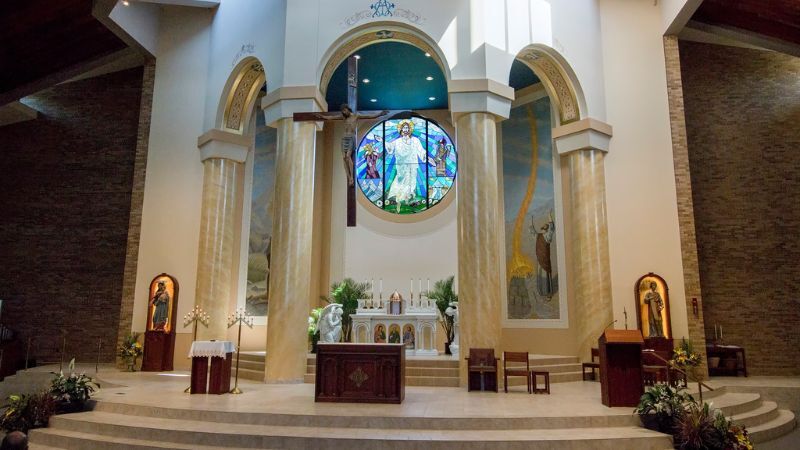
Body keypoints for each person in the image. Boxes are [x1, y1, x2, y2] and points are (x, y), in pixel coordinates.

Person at [375, 120, 426, 212]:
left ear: (410, 129)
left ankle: (408, 198)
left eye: (407, 128)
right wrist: (382, 140)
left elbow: (421, 151)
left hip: (412, 165)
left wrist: (425, 156)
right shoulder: (397, 141)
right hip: (401, 166)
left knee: (411, 181)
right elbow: (390, 147)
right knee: (400, 180)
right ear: (401, 130)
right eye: (404, 128)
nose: (405, 130)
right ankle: (396, 197)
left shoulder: (415, 140)